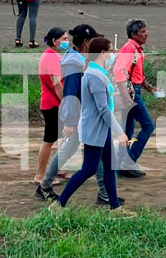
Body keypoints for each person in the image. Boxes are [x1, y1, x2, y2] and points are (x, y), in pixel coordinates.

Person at [37, 25, 124, 207]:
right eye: (93, 40)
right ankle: (46, 185)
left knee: (96, 157)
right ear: (86, 42)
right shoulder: (74, 62)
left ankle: (105, 194)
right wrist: (70, 119)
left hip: (86, 114)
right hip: (82, 115)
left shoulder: (81, 60)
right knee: (85, 157)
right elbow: (69, 91)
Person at [51, 37, 133, 214]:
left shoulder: (96, 72)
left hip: (101, 129)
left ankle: (115, 208)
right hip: (95, 130)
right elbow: (103, 109)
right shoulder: (95, 76)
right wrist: (120, 133)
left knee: (108, 168)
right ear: (102, 53)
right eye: (111, 51)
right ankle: (58, 204)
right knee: (88, 169)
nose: (114, 54)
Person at [114, 19, 158, 178]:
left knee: (127, 129)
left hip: (132, 91)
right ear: (134, 34)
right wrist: (126, 97)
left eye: (146, 31)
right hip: (131, 93)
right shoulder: (129, 49)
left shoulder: (136, 49)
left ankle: (120, 165)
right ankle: (129, 161)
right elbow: (119, 72)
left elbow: (136, 74)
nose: (146, 34)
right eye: (143, 31)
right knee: (148, 126)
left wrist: (149, 88)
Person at [34, 27, 69, 185]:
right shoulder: (53, 58)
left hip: (50, 102)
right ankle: (40, 176)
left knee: (60, 137)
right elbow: (57, 84)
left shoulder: (48, 55)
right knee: (49, 140)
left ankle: (57, 168)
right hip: (53, 103)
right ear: (55, 41)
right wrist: (66, 102)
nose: (66, 42)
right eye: (63, 39)